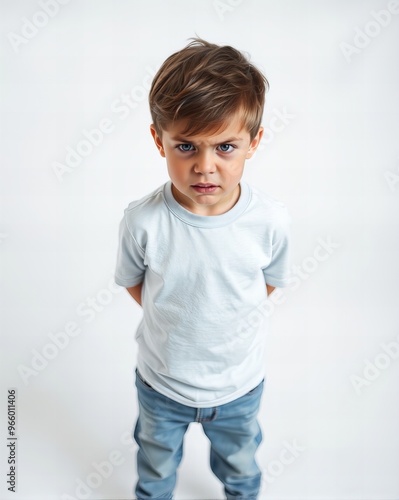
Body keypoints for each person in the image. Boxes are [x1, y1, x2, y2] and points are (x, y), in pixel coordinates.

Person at [115, 37, 291, 500]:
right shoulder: (143, 221)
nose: (205, 167)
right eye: (187, 146)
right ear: (159, 141)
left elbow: (268, 281)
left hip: (238, 386)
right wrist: (181, 313)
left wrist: (225, 315)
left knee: (240, 466)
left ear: (254, 142)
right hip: (161, 384)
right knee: (155, 465)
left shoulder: (269, 220)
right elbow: (136, 282)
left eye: (226, 146)